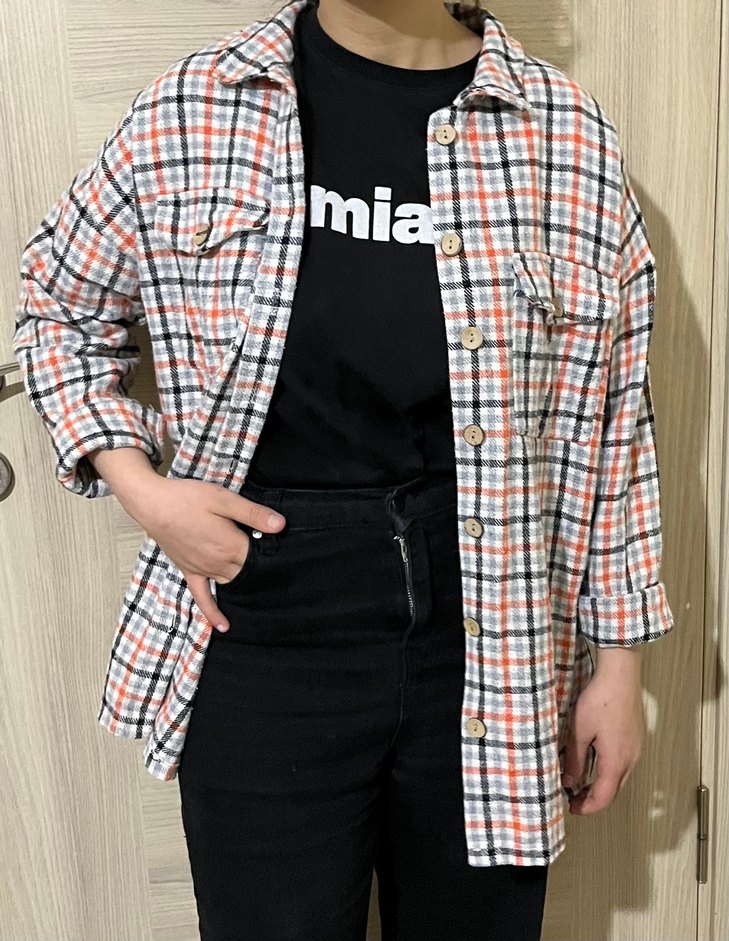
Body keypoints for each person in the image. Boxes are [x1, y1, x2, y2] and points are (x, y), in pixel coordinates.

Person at [12, 0, 675, 938]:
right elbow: (58, 310)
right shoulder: (197, 106)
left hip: (493, 622)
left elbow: (616, 420)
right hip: (264, 612)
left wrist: (618, 662)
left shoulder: (561, 134)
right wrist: (144, 490)